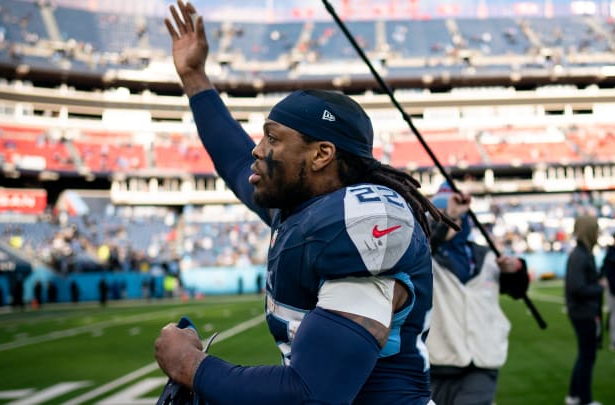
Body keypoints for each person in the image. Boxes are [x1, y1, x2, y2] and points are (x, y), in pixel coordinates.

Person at [154, 1, 455, 403]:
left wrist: (189, 366)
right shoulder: (300, 208)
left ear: (321, 155)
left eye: (273, 138)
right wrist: (194, 76)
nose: (257, 151)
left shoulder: (358, 222)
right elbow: (232, 159)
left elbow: (313, 394)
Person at [425, 184, 529, 405]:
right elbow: (426, 244)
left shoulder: (486, 256)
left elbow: (518, 291)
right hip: (437, 362)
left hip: (482, 361)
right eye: (441, 217)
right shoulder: (424, 257)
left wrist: (517, 269)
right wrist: (448, 219)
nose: (450, 223)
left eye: (455, 218)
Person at [564, 215, 605, 405]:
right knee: (587, 356)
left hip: (584, 311)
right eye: (595, 228)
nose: (598, 233)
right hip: (583, 313)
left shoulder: (583, 253)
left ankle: (574, 395)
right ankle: (584, 399)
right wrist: (600, 286)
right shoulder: (580, 255)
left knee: (584, 355)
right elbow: (577, 288)